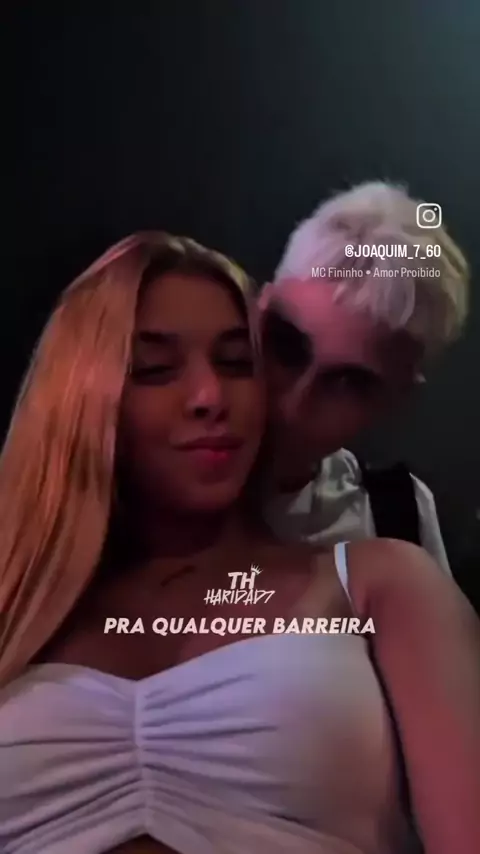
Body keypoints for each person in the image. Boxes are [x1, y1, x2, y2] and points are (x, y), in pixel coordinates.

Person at [0, 232, 479, 854]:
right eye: (154, 369)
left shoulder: (382, 581)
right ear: (76, 399)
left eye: (235, 363)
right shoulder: (15, 598)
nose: (210, 398)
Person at [257, 181, 470, 575]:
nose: (292, 405)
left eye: (347, 384)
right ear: (258, 309)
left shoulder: (399, 517)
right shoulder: (140, 477)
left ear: (396, 398)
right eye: (284, 345)